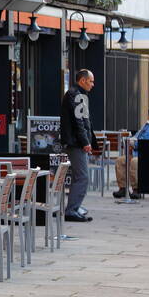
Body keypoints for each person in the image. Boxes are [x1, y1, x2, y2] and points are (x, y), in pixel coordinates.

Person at [59, 68, 98, 222]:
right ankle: (72, 210)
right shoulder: (76, 95)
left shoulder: (77, 94)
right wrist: (85, 142)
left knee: (78, 176)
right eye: (91, 81)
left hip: (76, 142)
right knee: (82, 177)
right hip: (76, 144)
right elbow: (79, 122)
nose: (93, 84)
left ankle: (74, 208)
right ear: (83, 81)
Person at [114, 105, 149, 197]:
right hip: (139, 153)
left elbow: (143, 142)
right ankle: (123, 188)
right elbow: (137, 137)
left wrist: (132, 143)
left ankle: (137, 189)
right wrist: (133, 142)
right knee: (120, 160)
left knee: (135, 162)